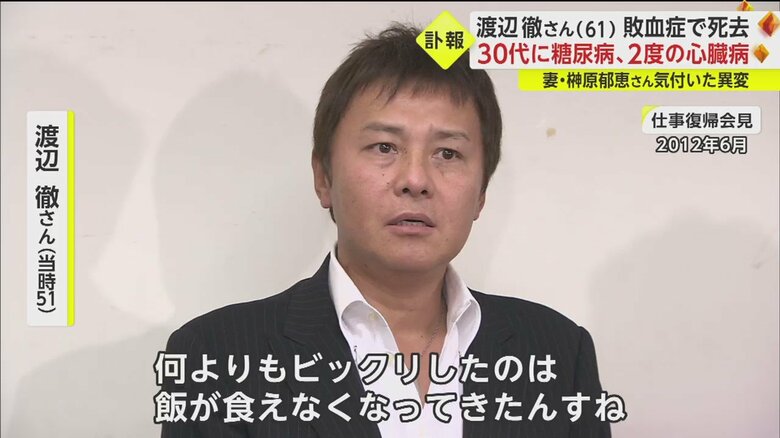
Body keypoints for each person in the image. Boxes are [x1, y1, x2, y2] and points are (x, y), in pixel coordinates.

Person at [159, 23, 611, 438]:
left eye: (448, 153)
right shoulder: (215, 357)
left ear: (480, 194)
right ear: (324, 177)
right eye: (384, 147)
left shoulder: (558, 351)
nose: (415, 180)